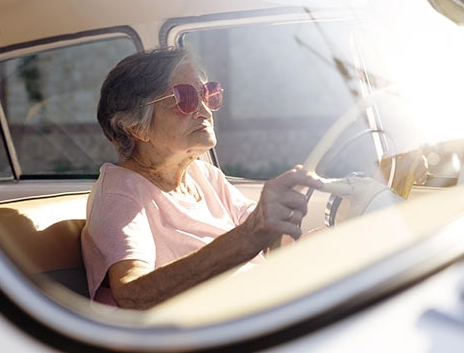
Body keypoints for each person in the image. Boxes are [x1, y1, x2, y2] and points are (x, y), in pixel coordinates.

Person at [81, 48, 323, 309]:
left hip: (256, 310)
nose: (205, 110)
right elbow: (132, 295)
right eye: (185, 99)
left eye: (208, 94)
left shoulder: (205, 175)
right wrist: (249, 236)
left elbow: (270, 245)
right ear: (136, 127)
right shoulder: (120, 193)